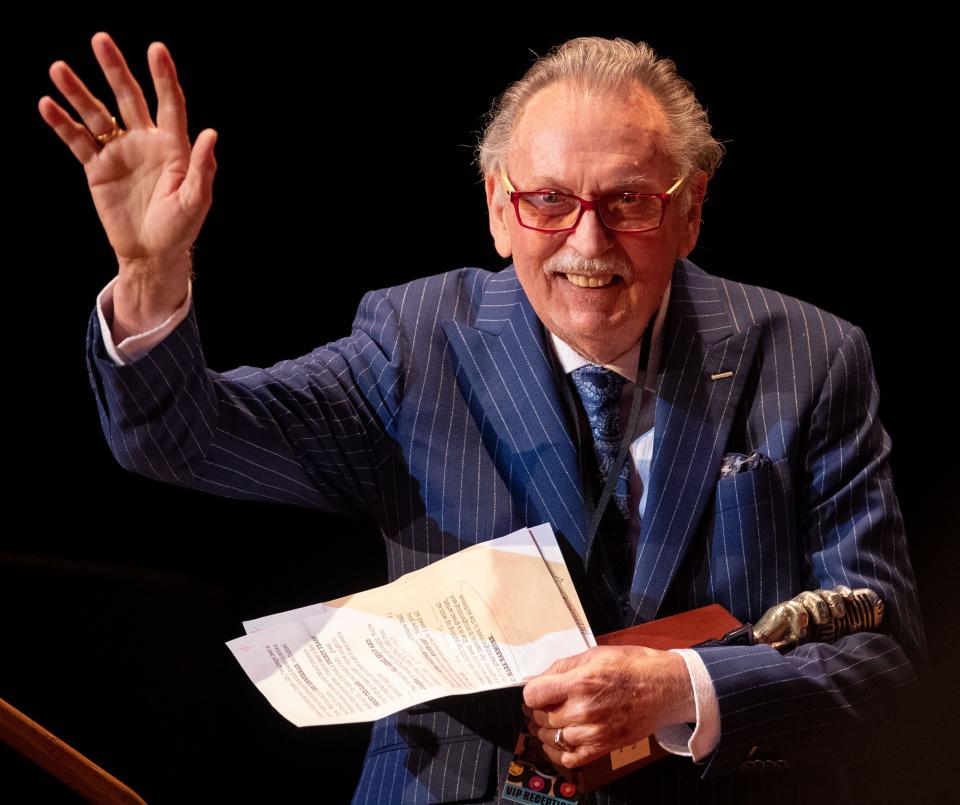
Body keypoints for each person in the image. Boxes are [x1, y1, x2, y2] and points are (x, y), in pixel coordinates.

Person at [40, 32, 925, 804]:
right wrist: (152, 273)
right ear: (500, 209)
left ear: (689, 210)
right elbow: (180, 437)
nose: (588, 242)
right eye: (549, 201)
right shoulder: (413, 340)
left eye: (629, 201)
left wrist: (684, 687)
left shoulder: (813, 357)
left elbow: (888, 665)